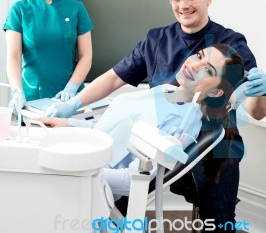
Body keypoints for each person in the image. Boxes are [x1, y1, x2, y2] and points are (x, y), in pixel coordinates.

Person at [41, 0, 266, 233]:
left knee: (218, 212)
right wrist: (74, 105)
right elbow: (113, 78)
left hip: (212, 143)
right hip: (157, 139)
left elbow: (256, 111)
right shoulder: (157, 39)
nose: (183, 5)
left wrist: (260, 91)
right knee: (116, 188)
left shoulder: (230, 43)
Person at [41, 43, 245, 199]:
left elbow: (134, 180)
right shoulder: (168, 91)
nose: (194, 65)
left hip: (91, 190)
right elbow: (115, 131)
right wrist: (69, 125)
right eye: (199, 56)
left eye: (208, 70)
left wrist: (82, 170)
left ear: (217, 91)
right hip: (85, 162)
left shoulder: (183, 123)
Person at [3, 0, 94, 116]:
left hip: (70, 98)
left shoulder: (76, 8)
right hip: (32, 98)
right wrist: (17, 91)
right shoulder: (19, 9)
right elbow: (13, 57)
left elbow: (86, 56)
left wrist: (71, 88)